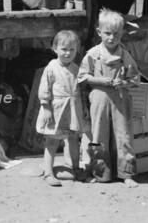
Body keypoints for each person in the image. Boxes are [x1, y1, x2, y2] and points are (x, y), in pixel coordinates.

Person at [78, 8, 140, 187]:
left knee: (123, 136)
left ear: (122, 34)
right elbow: (82, 77)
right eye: (107, 34)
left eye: (116, 34)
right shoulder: (93, 54)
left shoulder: (124, 55)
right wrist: (99, 80)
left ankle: (126, 173)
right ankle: (101, 173)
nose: (112, 38)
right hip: (99, 100)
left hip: (120, 100)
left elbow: (135, 78)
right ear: (99, 32)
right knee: (99, 136)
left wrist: (124, 83)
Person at [36, 29, 89, 186]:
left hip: (73, 109)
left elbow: (81, 89)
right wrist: (46, 108)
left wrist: (84, 107)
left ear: (77, 50)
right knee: (52, 141)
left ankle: (76, 168)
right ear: (55, 49)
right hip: (56, 110)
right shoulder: (51, 68)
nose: (68, 53)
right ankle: (48, 172)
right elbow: (44, 89)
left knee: (73, 139)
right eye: (64, 49)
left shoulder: (76, 68)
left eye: (72, 50)